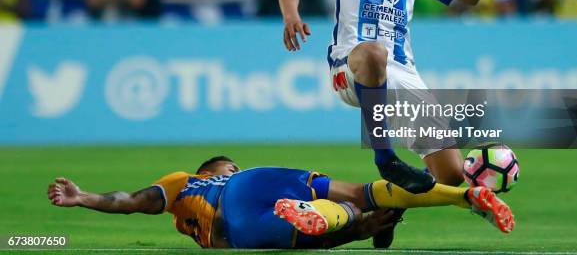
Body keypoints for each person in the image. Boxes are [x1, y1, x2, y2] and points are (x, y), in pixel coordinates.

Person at [277, 0, 516, 246]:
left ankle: (389, 211)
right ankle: (384, 158)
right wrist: (291, 16)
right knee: (372, 53)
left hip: (402, 70)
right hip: (350, 64)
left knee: (450, 175)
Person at [47, 156, 514, 249]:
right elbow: (134, 199)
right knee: (358, 195)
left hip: (242, 230)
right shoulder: (195, 179)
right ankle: (459, 195)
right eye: (225, 165)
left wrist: (84, 197)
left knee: (345, 217)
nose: (228, 167)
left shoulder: (185, 192)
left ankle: (329, 217)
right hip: (261, 184)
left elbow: (132, 201)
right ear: (212, 172)